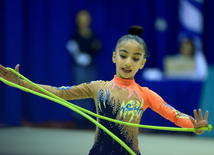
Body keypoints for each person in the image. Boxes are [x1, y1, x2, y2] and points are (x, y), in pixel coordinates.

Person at [0, 26, 209, 155]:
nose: (128, 62)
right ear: (113, 57)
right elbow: (58, 92)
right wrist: (21, 82)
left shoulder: (145, 94)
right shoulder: (98, 87)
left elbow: (172, 113)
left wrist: (193, 126)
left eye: (135, 58)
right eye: (123, 55)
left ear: (142, 63)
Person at [66, 10, 102, 129]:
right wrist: (80, 57)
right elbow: (73, 49)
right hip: (79, 67)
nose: (84, 21)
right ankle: (78, 119)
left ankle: (88, 118)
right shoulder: (75, 34)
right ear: (77, 20)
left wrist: (92, 51)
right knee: (79, 91)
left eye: (86, 18)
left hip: (91, 67)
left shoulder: (92, 34)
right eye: (82, 18)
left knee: (90, 92)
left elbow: (98, 47)